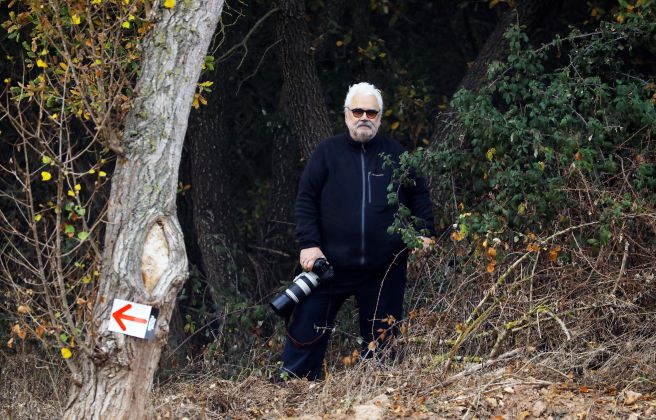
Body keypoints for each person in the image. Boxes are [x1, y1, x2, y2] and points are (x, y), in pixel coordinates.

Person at [281, 82, 435, 380]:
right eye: (358, 111)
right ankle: (291, 391)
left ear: (380, 116)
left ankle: (375, 396)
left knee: (383, 346)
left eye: (371, 112)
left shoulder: (396, 154)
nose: (364, 117)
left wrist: (425, 230)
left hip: (384, 267)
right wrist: (309, 244)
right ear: (347, 114)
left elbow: (419, 195)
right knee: (305, 332)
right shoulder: (327, 153)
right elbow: (306, 199)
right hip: (328, 267)